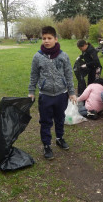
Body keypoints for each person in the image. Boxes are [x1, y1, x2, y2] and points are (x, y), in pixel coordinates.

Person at [28, 26, 77, 160]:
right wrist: (31, 91)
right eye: (44, 38)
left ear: (56, 39)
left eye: (49, 38)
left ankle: (59, 138)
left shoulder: (63, 56)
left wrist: (71, 92)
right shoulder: (37, 57)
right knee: (45, 121)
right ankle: (46, 145)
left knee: (60, 118)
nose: (46, 41)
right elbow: (34, 75)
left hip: (61, 94)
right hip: (45, 96)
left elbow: (68, 75)